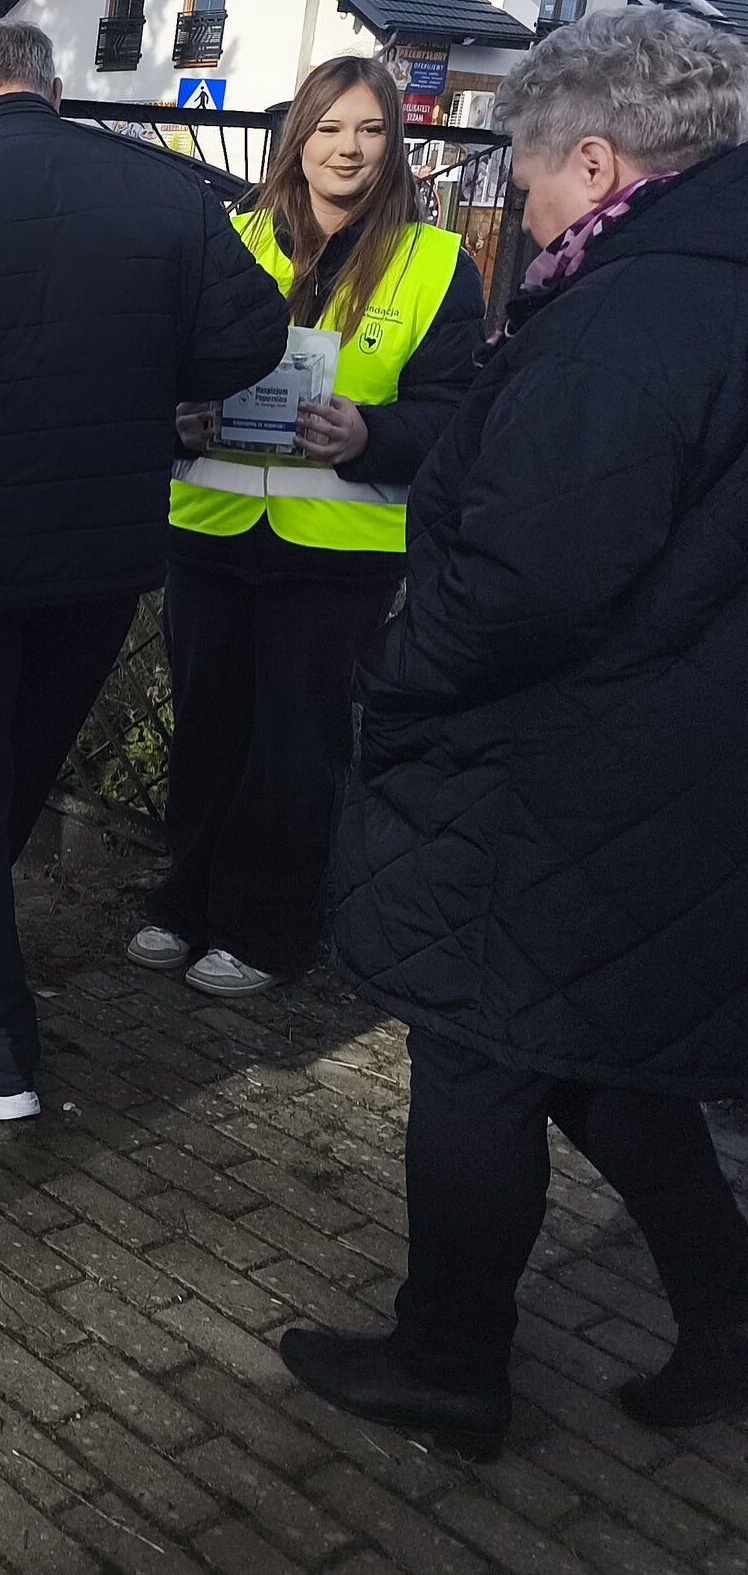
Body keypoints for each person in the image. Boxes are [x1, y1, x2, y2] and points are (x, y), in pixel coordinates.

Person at [285, 5, 748, 1458]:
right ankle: (731, 1320)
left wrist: (398, 667)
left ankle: (449, 1362)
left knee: (479, 1051)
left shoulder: (625, 321)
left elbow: (532, 576)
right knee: (595, 1050)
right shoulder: (714, 287)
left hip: (547, 766)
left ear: (596, 164)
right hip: (666, 753)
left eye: (531, 173)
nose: (524, 206)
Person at [0, 18, 288, 1121]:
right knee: (17, 764)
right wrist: (144, 372)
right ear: (51, 94)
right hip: (102, 554)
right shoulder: (166, 191)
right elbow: (249, 339)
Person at [130, 58, 484, 1000]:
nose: (348, 150)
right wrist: (178, 416)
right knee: (206, 731)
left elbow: (457, 415)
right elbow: (155, 365)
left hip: (337, 551)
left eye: (369, 130)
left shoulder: (436, 262)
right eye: (329, 128)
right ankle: (182, 903)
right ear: (297, 138)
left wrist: (373, 435)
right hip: (211, 528)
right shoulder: (231, 237)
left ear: (394, 143)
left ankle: (264, 929)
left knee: (295, 746)